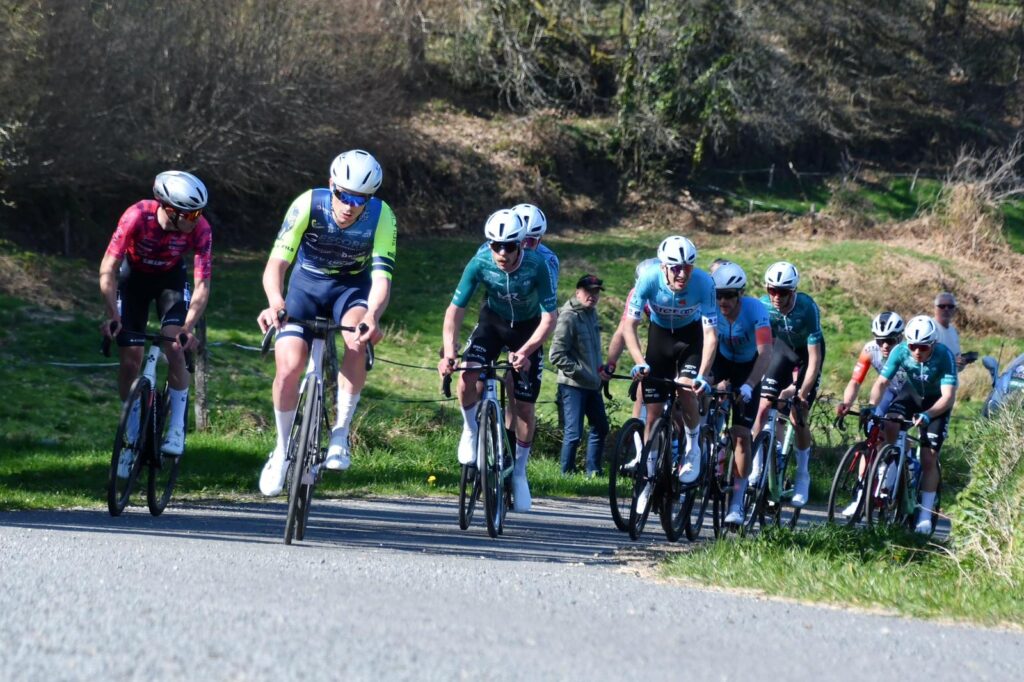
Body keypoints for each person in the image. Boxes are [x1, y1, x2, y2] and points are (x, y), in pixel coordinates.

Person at [256, 150, 396, 496]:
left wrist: (372, 316)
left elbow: (382, 278)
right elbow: (276, 264)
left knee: (358, 339)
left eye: (360, 199)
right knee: (289, 366)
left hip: (350, 290)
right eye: (343, 195)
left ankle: (340, 433)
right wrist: (275, 302)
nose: (350, 206)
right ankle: (281, 449)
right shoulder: (309, 203)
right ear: (331, 184)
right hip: (305, 287)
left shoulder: (382, 216)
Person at [438, 209, 558, 512]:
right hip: (493, 322)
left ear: (521, 244)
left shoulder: (539, 265)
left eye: (510, 246)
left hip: (528, 329)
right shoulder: (480, 261)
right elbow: (455, 310)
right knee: (468, 374)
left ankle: (519, 473)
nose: (502, 253)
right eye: (496, 246)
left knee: (524, 405)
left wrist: (526, 352)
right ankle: (470, 430)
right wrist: (449, 351)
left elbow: (550, 318)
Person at [99, 170, 212, 468]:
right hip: (133, 280)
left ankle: (176, 428)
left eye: (200, 212)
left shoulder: (201, 229)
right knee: (130, 360)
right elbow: (108, 268)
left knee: (175, 346)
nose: (197, 219)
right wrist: (112, 314)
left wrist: (188, 327)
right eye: (191, 213)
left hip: (170, 282)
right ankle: (132, 428)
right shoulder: (137, 216)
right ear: (170, 210)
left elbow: (202, 284)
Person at [623, 236, 718, 512]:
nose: (682, 274)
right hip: (660, 338)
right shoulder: (648, 279)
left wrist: (702, 374)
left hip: (690, 340)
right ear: (663, 267)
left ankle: (692, 447)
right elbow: (629, 326)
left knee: (685, 388)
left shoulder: (704, 283)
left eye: (687, 267)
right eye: (675, 267)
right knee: (652, 414)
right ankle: (648, 479)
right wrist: (639, 362)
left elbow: (711, 335)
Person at [866, 315, 957, 535]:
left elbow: (948, 397)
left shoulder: (944, 356)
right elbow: (882, 382)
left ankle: (924, 515)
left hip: (936, 403)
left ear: (933, 343)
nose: (917, 351)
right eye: (913, 346)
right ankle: (892, 466)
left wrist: (928, 415)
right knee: (890, 422)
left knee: (928, 457)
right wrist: (871, 406)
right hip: (912, 394)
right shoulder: (900, 351)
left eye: (923, 347)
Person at [752, 261, 824, 509]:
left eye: (782, 292)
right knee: (763, 407)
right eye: (772, 290)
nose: (776, 296)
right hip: (781, 352)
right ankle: (755, 469)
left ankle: (803, 475)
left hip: (806, 356)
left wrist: (801, 392)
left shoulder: (807, 308)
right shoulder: (763, 306)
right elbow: (760, 348)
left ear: (793, 291)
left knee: (797, 414)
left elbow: (814, 359)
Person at [707, 262, 774, 525]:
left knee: (742, 436)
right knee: (696, 388)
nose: (722, 301)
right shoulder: (711, 306)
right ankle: (698, 445)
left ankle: (736, 503)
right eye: (718, 295)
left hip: (747, 368)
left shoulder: (756, 310)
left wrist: (749, 384)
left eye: (728, 295)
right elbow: (704, 342)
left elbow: (765, 352)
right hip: (722, 359)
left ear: (740, 294)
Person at [834, 311, 907, 516]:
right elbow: (855, 381)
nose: (885, 345)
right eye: (880, 340)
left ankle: (894, 470)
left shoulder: (908, 351)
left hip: (909, 393)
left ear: (900, 338)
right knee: (871, 437)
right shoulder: (870, 349)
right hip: (887, 390)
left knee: (894, 428)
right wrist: (847, 403)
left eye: (890, 340)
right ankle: (860, 496)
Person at [549, 274, 611, 476]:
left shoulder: (592, 314)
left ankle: (593, 471)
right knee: (574, 433)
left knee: (600, 427)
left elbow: (593, 351)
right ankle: (566, 474)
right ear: (578, 292)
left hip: (593, 384)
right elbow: (556, 355)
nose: (592, 296)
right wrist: (581, 372)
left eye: (596, 292)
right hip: (573, 385)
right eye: (588, 291)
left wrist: (600, 370)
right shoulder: (569, 316)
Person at [932, 292, 965, 370]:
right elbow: (924, 359)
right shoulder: (930, 328)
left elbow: (956, 357)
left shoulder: (953, 331)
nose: (946, 309)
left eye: (950, 306)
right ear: (935, 308)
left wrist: (961, 363)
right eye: (942, 306)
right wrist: (950, 362)